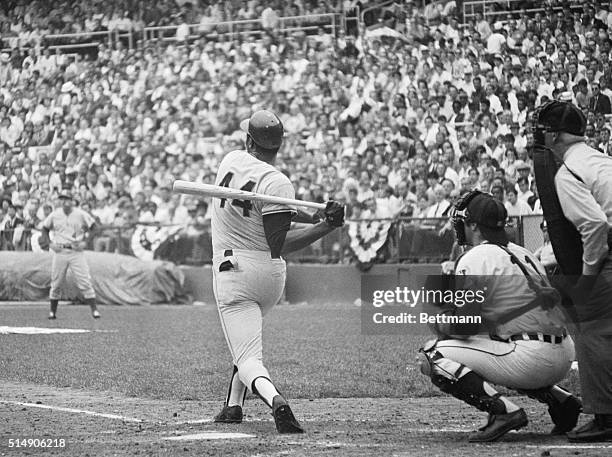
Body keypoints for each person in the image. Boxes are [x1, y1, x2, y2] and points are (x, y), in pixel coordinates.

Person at [210, 110, 345, 434]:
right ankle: (233, 405)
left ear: (248, 140)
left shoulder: (229, 160)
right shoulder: (278, 181)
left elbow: (277, 237)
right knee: (245, 341)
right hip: (271, 278)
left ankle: (276, 401)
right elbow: (275, 224)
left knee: (248, 357)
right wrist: (324, 223)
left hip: (235, 271)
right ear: (278, 146)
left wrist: (318, 220)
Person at [418, 190, 581, 442]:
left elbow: (466, 328)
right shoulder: (524, 252)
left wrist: (439, 320)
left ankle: (504, 412)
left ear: (473, 225)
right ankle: (562, 400)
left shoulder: (474, 257)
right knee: (501, 345)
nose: (460, 227)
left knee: (432, 355)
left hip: (531, 357)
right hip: (563, 353)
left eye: (464, 222)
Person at [532, 100, 612, 442]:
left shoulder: (567, 173)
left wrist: (588, 275)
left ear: (553, 134)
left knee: (593, 331)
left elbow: (594, 225)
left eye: (544, 130)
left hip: (606, 258)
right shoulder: (600, 159)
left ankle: (606, 416)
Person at [40, 189, 100, 319]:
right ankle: (52, 312)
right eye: (62, 199)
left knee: (84, 280)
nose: (64, 201)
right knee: (56, 281)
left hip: (76, 250)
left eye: (67, 198)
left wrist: (86, 242)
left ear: (72, 200)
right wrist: (50, 243)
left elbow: (95, 228)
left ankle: (94, 310)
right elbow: (44, 229)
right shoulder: (55, 214)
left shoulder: (80, 214)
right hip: (60, 250)